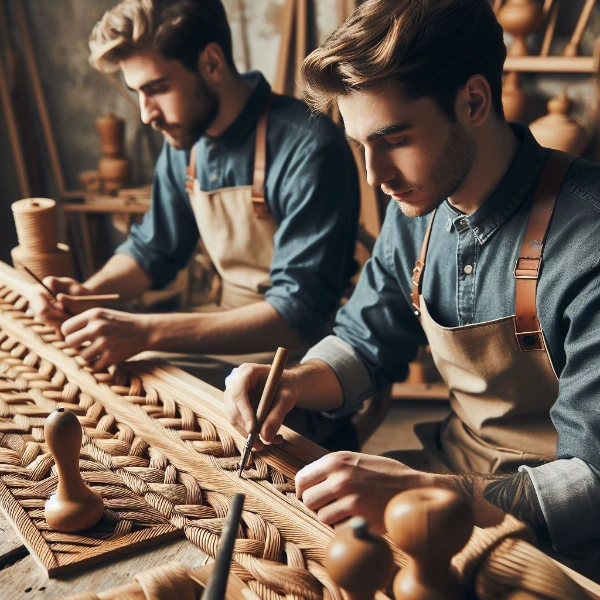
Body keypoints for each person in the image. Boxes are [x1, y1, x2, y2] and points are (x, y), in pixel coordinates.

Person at [224, 0, 600, 578]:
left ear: (473, 101)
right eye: (361, 146)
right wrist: (296, 383)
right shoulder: (418, 206)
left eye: (394, 140)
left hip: (563, 538)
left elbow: (592, 483)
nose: (375, 175)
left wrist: (430, 492)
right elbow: (362, 342)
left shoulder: (588, 241)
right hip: (448, 471)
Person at [29, 0, 361, 449]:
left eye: (157, 88)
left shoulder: (308, 146)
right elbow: (152, 250)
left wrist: (145, 329)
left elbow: (296, 316)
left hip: (295, 368)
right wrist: (88, 292)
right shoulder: (185, 142)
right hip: (222, 332)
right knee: (105, 385)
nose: (146, 113)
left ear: (211, 62)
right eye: (138, 93)